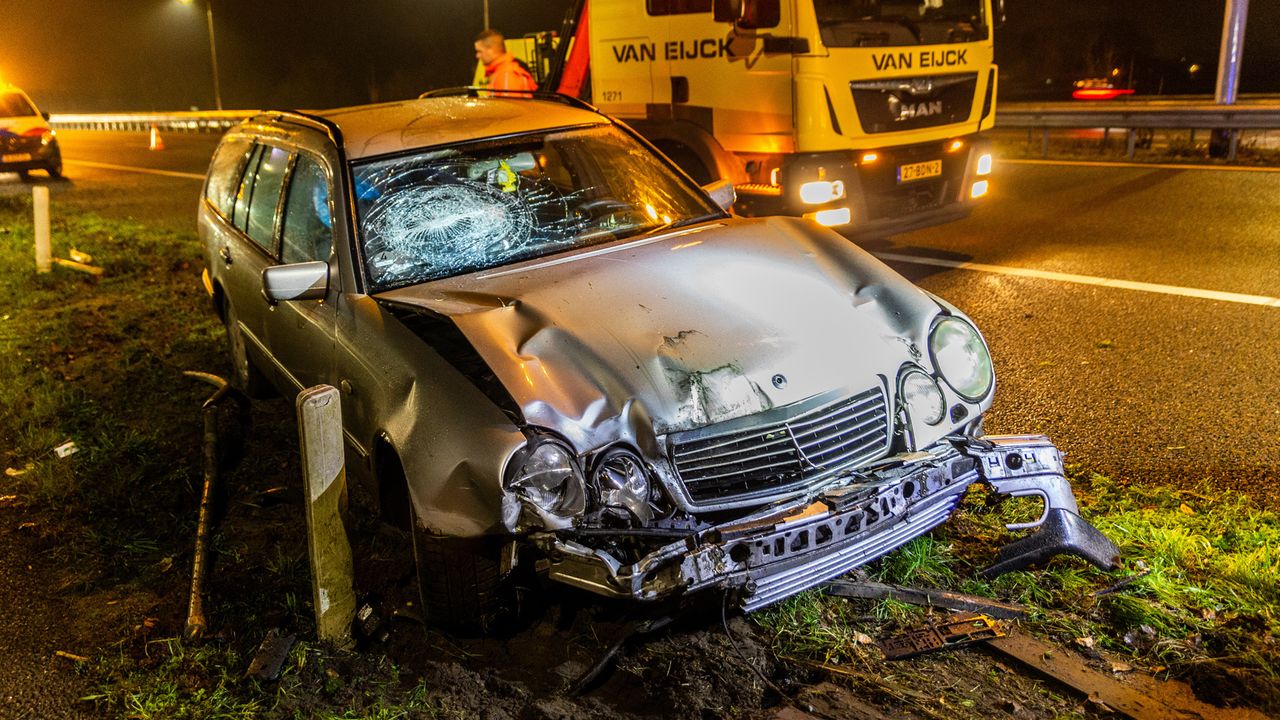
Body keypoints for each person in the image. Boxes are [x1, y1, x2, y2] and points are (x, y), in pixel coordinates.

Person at [474, 29, 537, 95]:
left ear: (491, 50)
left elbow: (509, 104)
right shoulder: (503, 72)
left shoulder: (506, 75)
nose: (477, 56)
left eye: (479, 51)